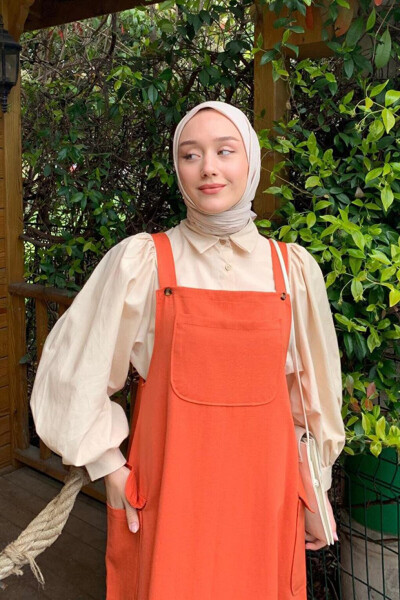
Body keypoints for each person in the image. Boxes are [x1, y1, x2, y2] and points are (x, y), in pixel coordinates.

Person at [31, 101, 345, 600]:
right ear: (177, 167)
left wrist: (314, 493)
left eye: (225, 151)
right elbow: (74, 370)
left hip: (266, 498)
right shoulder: (144, 263)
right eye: (190, 154)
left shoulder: (293, 271)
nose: (209, 168)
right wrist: (109, 467)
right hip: (169, 498)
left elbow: (310, 400)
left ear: (252, 161)